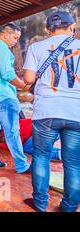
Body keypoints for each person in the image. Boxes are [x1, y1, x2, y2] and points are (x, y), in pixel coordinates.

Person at [22, 11, 80, 212]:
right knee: (73, 163)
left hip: (46, 110)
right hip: (76, 112)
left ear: (48, 29)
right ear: (71, 27)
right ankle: (69, 207)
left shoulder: (36, 47)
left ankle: (40, 203)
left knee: (41, 156)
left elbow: (28, 79)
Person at [0, 23, 31, 173]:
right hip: (3, 97)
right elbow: (7, 75)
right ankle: (22, 165)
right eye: (15, 37)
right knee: (12, 132)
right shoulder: (2, 48)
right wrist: (23, 86)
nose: (16, 41)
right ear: (5, 35)